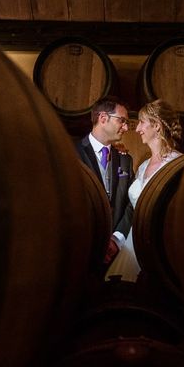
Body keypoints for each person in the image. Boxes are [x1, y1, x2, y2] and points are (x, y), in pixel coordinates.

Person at [105, 99, 183, 282]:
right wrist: (116, 241)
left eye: (142, 122)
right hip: (131, 245)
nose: (137, 128)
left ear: (156, 126)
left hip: (158, 248)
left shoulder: (176, 165)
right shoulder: (143, 166)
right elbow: (132, 210)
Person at [76, 96, 134, 265]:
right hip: (81, 251)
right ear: (103, 118)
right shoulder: (71, 153)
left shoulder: (125, 160)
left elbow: (131, 202)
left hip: (116, 253)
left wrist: (117, 239)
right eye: (122, 121)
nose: (125, 127)